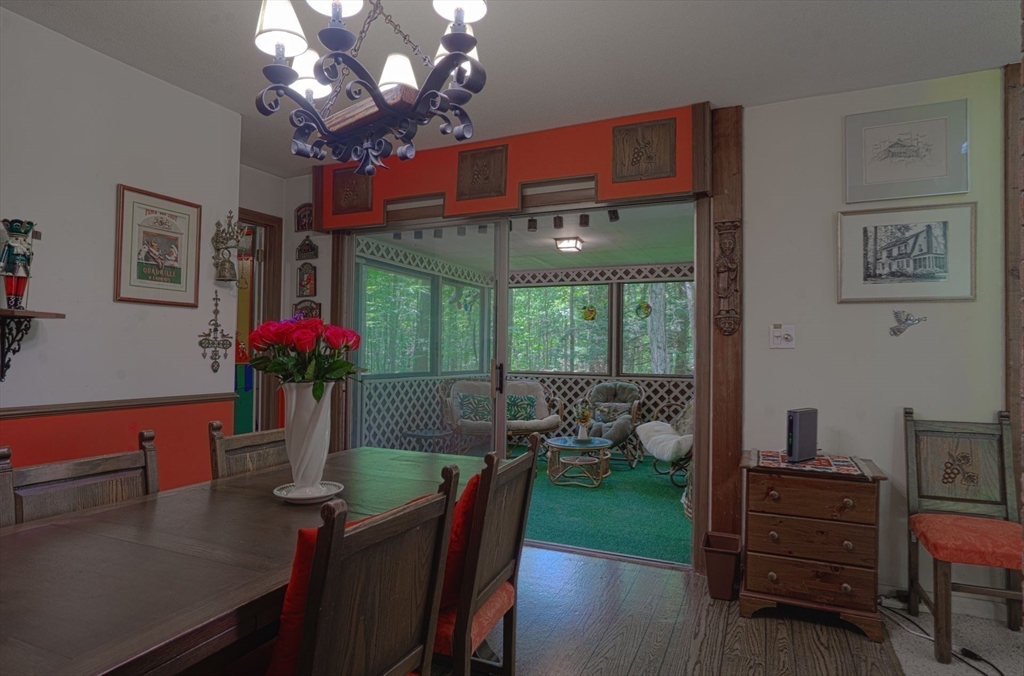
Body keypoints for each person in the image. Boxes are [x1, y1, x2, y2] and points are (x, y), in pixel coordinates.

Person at [0, 219, 34, 309]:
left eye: (23, 239)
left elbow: (29, 262)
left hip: (24, 269)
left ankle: (18, 304)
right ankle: (11, 304)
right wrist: (0, 265)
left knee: (21, 284)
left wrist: (30, 255)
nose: (20, 242)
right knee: (11, 284)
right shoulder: (9, 245)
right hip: (11, 267)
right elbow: (4, 255)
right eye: (16, 239)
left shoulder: (25, 249)